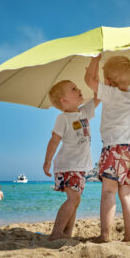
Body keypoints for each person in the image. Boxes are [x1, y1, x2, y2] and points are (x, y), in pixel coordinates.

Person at [85, 54, 130, 242]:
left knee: (109, 192)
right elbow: (98, 85)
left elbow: (89, 80)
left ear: (108, 82)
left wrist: (95, 60)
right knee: (127, 194)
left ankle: (105, 235)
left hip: (114, 148)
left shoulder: (111, 93)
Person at [43, 80, 99, 240]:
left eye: (77, 88)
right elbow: (54, 140)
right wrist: (47, 161)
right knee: (73, 199)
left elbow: (98, 97)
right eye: (73, 89)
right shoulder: (63, 118)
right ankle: (56, 233)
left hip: (80, 167)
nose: (79, 90)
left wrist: (96, 80)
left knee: (76, 200)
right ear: (64, 100)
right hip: (68, 165)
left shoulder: (84, 112)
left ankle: (66, 233)